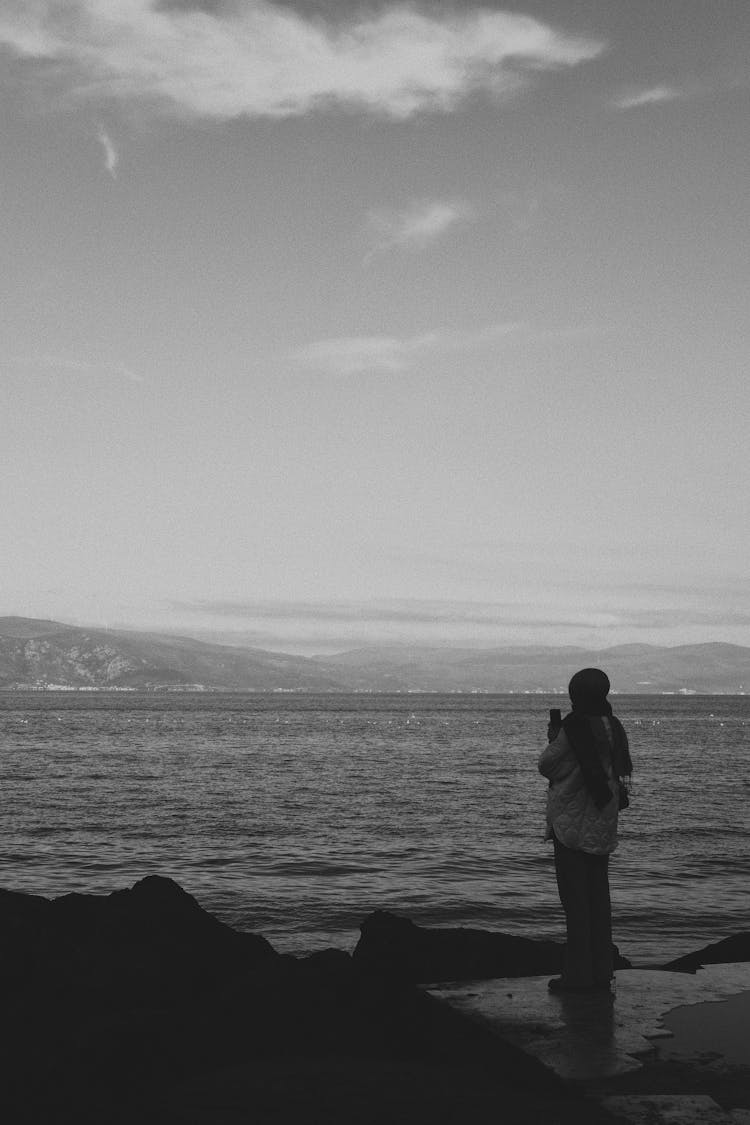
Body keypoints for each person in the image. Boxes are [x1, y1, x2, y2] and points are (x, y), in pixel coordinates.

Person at [538, 668, 632, 993]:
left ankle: (577, 976)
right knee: (598, 899)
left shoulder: (574, 726)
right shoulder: (613, 726)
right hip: (602, 821)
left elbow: (548, 765)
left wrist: (554, 739)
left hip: (571, 824)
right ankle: (601, 971)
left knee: (575, 902)